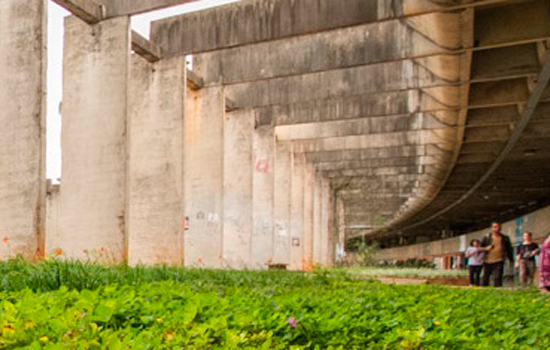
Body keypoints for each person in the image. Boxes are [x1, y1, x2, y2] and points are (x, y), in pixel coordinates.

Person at [480, 222, 514, 287]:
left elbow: (509, 249)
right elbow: (479, 248)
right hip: (487, 261)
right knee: (485, 278)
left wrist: (511, 260)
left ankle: (497, 291)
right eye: (495, 227)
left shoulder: (505, 238)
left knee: (498, 277)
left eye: (498, 227)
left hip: (499, 260)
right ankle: (484, 291)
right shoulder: (487, 237)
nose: (497, 228)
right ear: (492, 228)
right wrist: (486, 248)